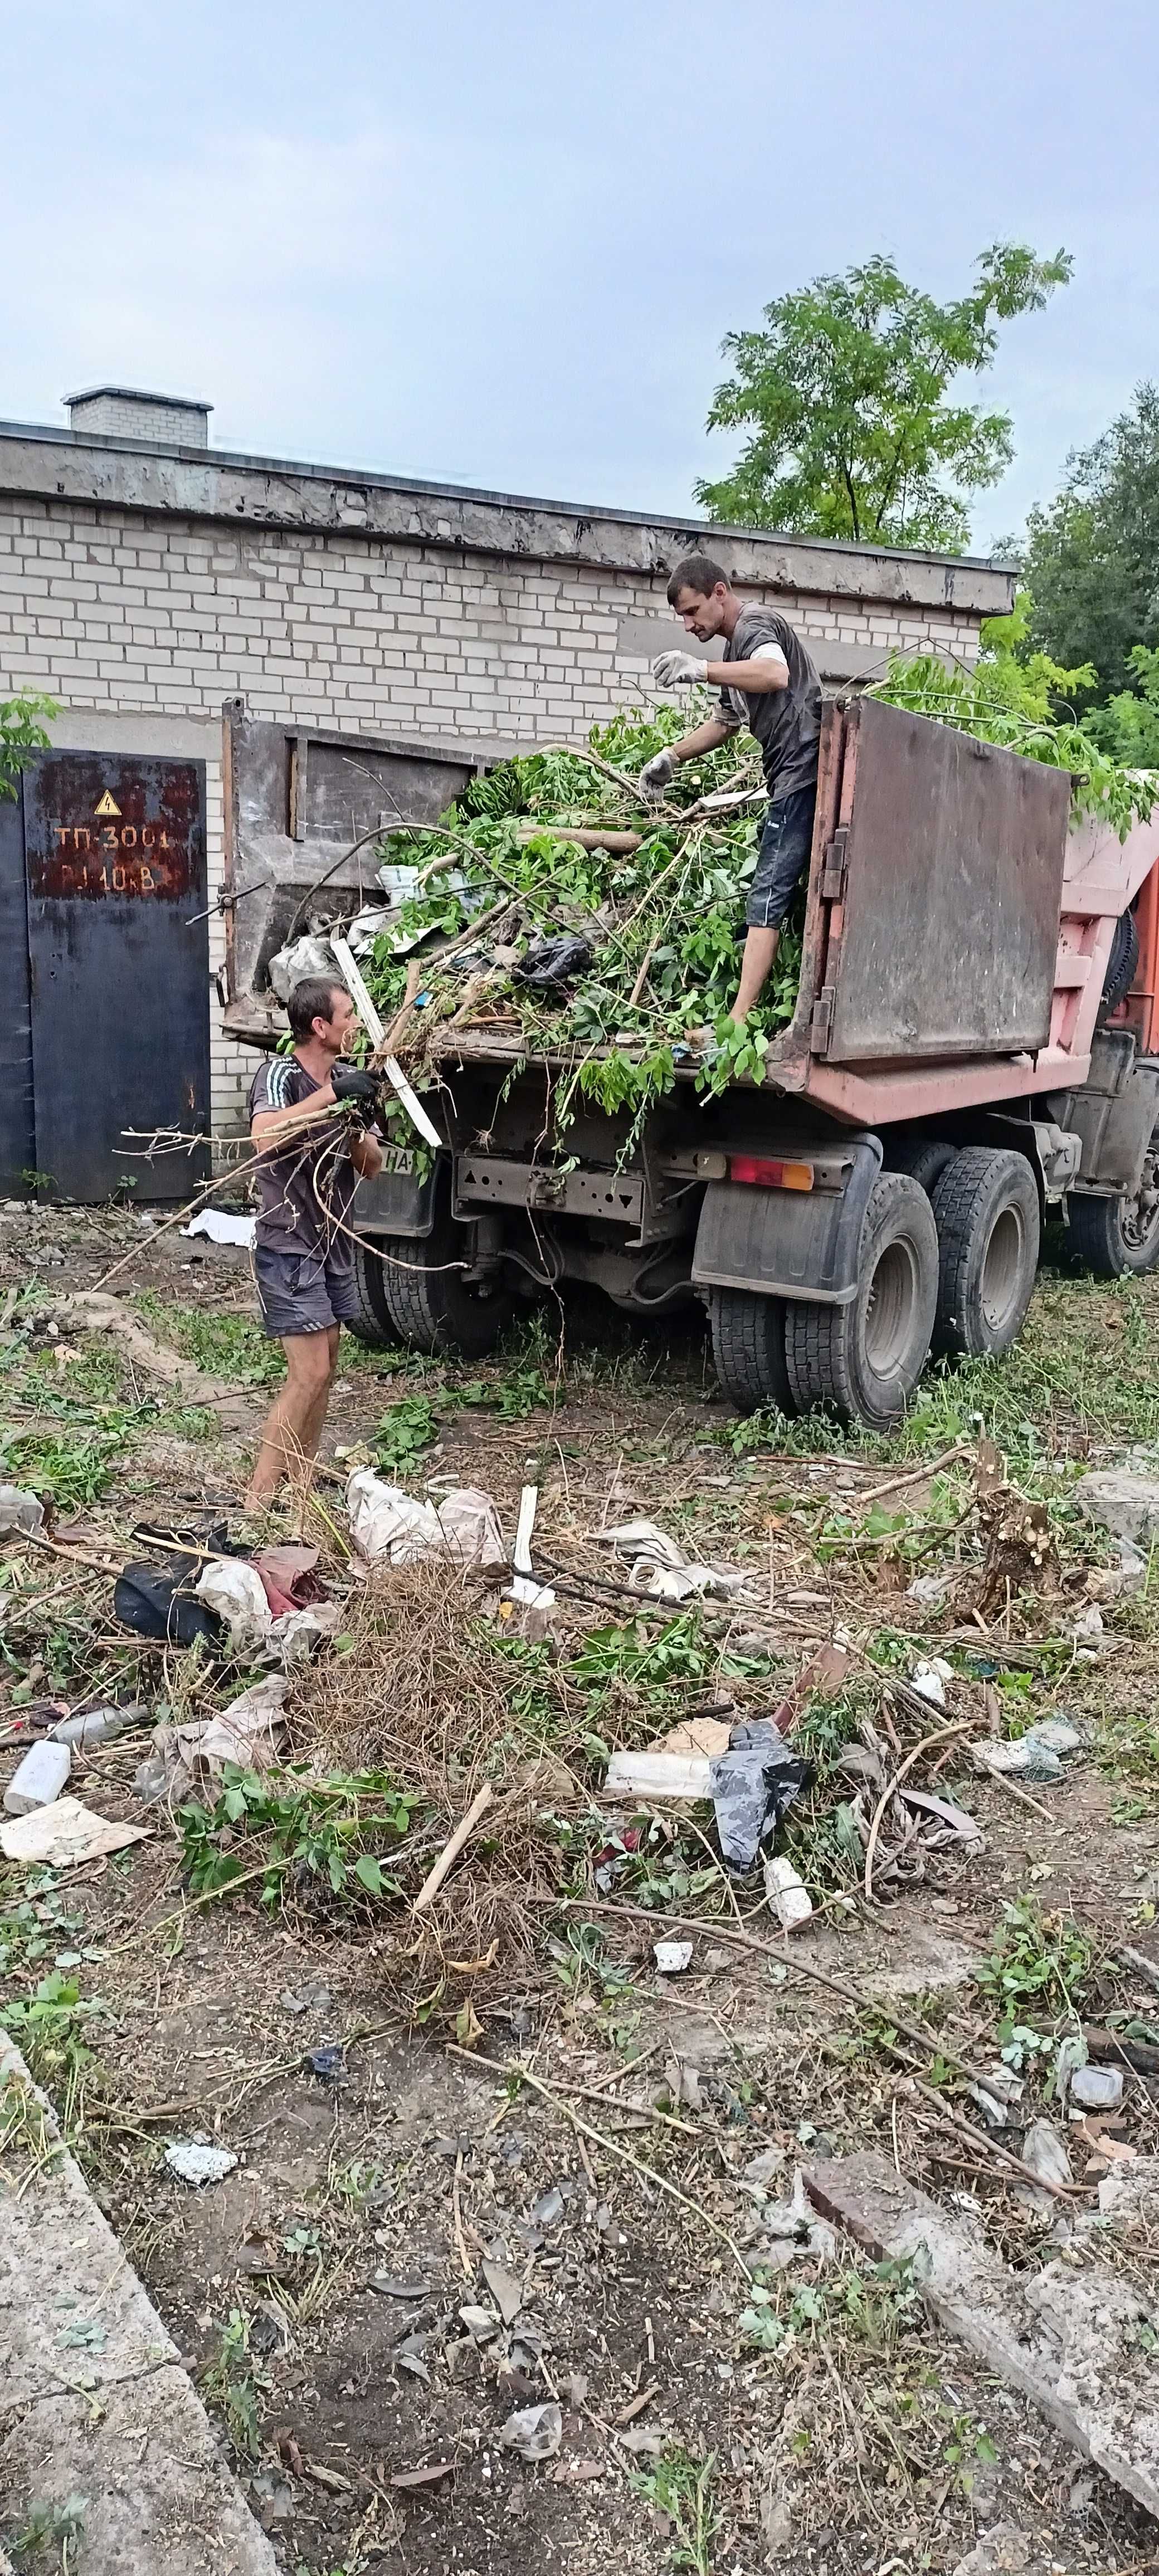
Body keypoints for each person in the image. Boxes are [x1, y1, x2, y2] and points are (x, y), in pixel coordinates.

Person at [640, 552, 821, 1023]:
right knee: (770, 886)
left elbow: (774, 673)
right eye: (681, 616)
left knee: (767, 892)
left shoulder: (754, 626)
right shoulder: (732, 650)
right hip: (788, 773)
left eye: (692, 611)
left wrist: (699, 670)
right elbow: (725, 722)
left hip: (802, 770)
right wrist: (672, 756)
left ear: (719, 593)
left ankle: (738, 1021)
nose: (687, 625)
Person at [245, 975, 383, 1507]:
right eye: (347, 1016)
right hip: (288, 1241)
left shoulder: (352, 1078)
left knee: (326, 1369)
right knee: (310, 1372)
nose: (355, 1025)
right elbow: (263, 1137)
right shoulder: (279, 1073)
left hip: (334, 1242)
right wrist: (329, 1097)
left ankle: (300, 1488)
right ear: (321, 1026)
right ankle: (257, 1500)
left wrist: (358, 1128)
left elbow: (372, 1168)